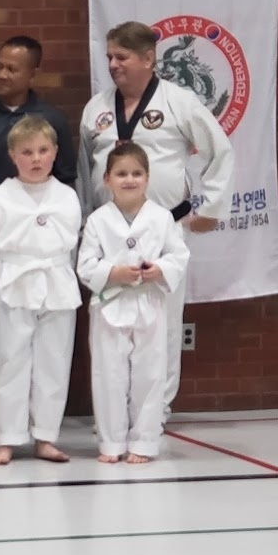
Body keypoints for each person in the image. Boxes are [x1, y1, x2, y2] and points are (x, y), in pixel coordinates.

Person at [77, 20, 233, 424]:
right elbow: (83, 170)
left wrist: (212, 208)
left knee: (161, 322)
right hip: (108, 227)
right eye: (109, 56)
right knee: (107, 319)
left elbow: (222, 150)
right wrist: (83, 222)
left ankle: (154, 410)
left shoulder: (179, 101)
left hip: (162, 227)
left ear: (148, 59)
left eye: (121, 57)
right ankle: (113, 409)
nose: (113, 64)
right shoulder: (96, 108)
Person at [0, 116, 81, 465]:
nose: (35, 159)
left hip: (56, 281)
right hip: (12, 281)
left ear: (54, 153)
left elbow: (73, 247)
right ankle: (7, 438)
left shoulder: (67, 197)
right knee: (9, 361)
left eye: (42, 151)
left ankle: (45, 437)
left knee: (53, 362)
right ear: (12, 155)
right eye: (27, 152)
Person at [77, 143, 190, 463]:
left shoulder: (162, 218)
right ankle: (111, 443)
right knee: (108, 375)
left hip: (149, 302)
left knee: (149, 375)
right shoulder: (98, 220)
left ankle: (143, 443)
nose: (129, 179)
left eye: (137, 173)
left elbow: (178, 255)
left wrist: (160, 270)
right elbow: (85, 265)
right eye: (122, 173)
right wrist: (114, 273)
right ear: (107, 179)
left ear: (148, 178)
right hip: (109, 304)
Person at [0, 36, 77, 188]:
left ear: (33, 75)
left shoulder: (52, 120)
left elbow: (66, 178)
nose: (2, 75)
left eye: (11, 69)